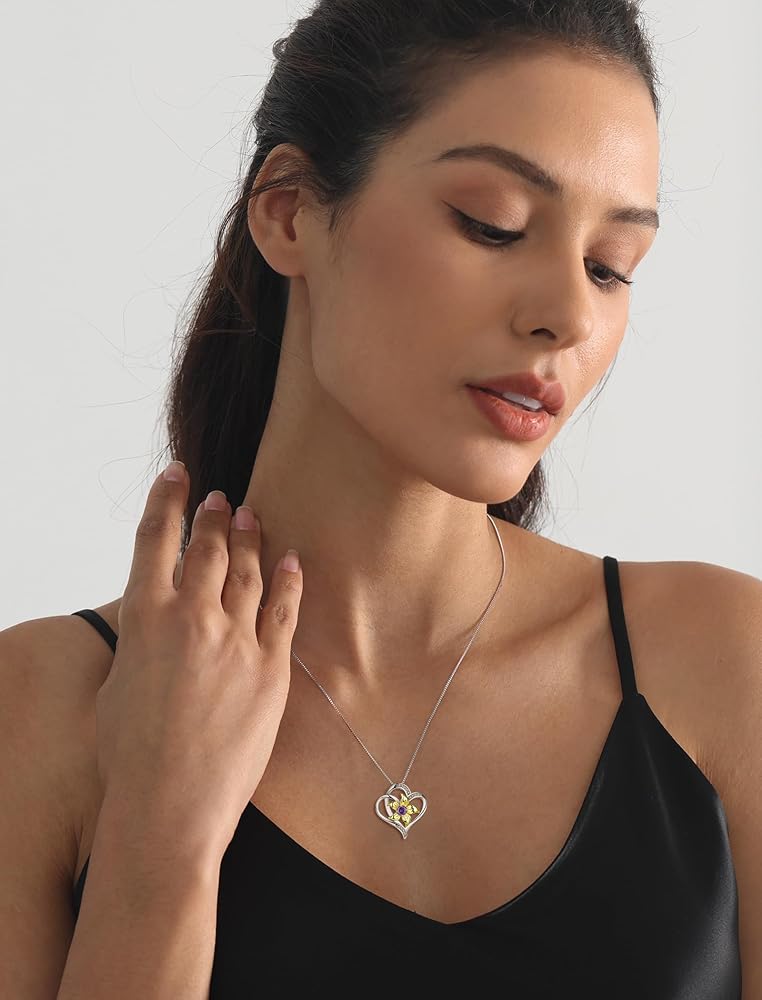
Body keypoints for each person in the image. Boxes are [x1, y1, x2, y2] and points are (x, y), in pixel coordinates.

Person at [1, 1, 759, 996]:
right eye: (493, 224)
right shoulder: (45, 711)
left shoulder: (724, 661)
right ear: (289, 212)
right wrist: (159, 840)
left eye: (609, 267)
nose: (569, 315)